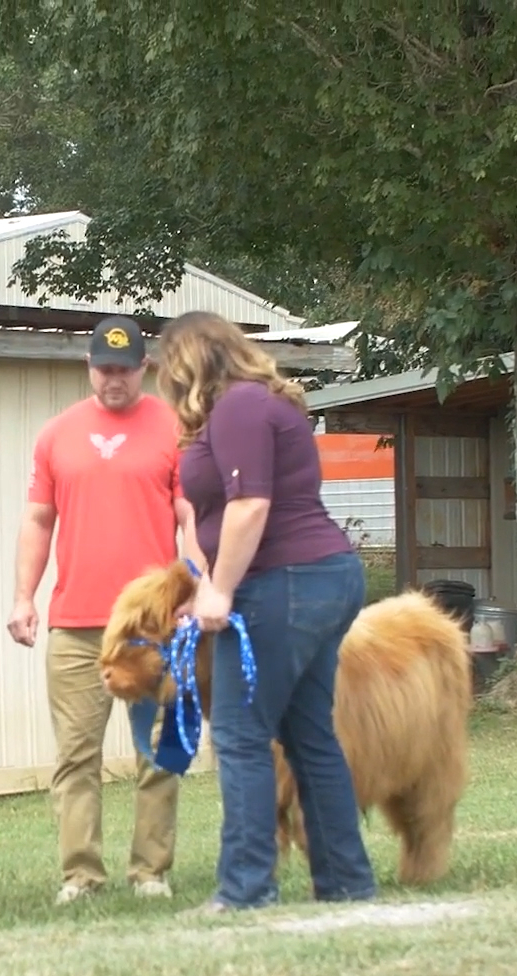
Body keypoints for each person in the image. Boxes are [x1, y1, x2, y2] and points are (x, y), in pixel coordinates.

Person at [154, 310, 378, 913]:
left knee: (240, 734)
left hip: (285, 582)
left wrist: (219, 592)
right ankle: (346, 881)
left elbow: (250, 507)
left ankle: (247, 887)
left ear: (192, 360)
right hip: (315, 577)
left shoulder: (241, 407)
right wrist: (205, 583)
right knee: (308, 736)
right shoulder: (261, 405)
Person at [8, 314, 204, 905]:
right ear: (88, 366)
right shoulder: (57, 434)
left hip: (151, 625)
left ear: (145, 367)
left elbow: (190, 517)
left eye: (124, 369)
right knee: (75, 755)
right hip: (75, 622)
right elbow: (39, 519)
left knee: (157, 750)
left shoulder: (174, 429)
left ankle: (150, 871)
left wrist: (192, 592)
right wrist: (23, 596)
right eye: (103, 368)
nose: (113, 379)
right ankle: (81, 876)